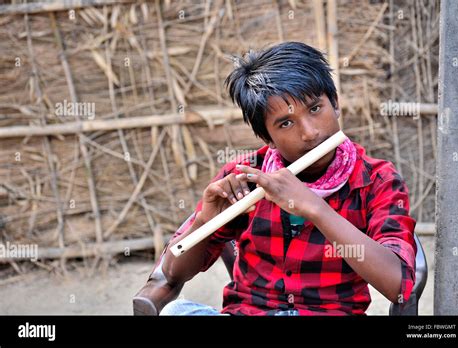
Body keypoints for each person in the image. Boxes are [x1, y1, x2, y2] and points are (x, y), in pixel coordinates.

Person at [134, 41, 417, 316]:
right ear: (267, 137)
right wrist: (204, 222)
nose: (309, 132)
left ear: (336, 104)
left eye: (316, 109)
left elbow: (399, 286)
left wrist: (315, 209)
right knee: (177, 311)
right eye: (286, 123)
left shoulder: (377, 180)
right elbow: (173, 273)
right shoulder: (244, 177)